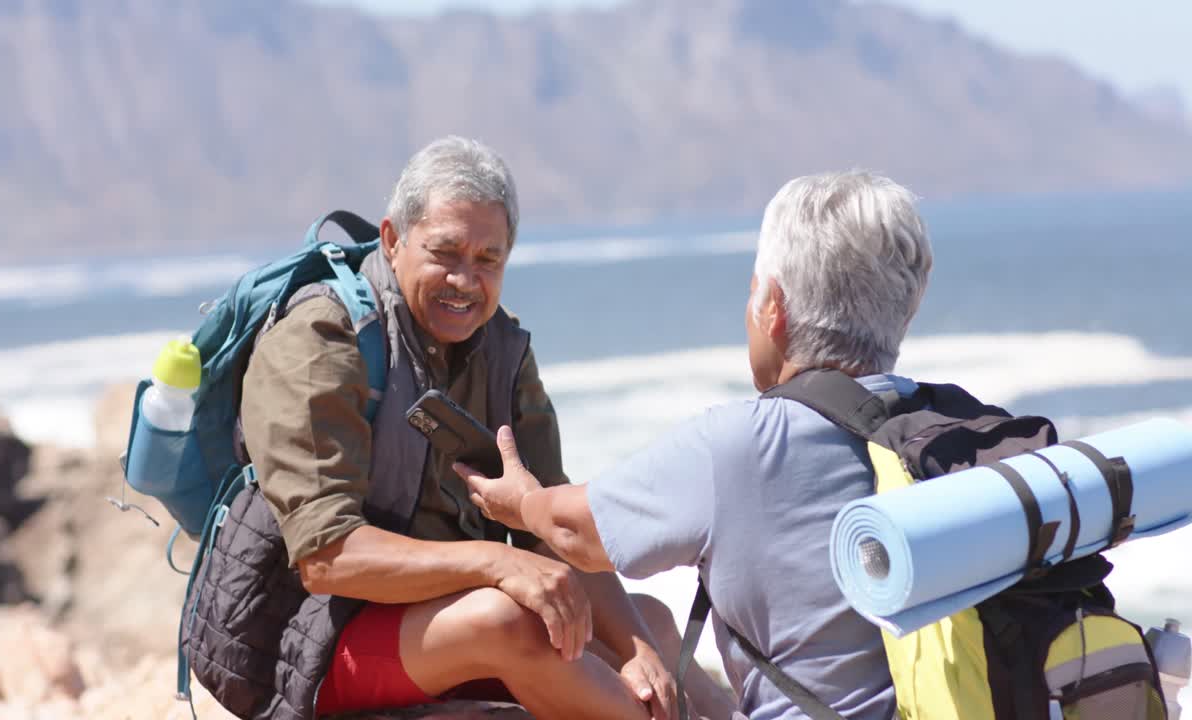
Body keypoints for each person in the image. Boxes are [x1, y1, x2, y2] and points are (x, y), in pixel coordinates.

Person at [182, 136, 680, 720]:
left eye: (488, 260)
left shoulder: (503, 350)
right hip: (306, 641)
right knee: (506, 618)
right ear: (393, 240)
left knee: (657, 628)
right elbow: (327, 558)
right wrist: (500, 564)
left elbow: (553, 526)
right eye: (445, 253)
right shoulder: (324, 338)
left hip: (433, 625)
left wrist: (637, 649)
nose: (465, 281)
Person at [460, 171, 934, 719]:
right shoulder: (951, 426)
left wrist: (519, 502)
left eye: (755, 288)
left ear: (772, 308)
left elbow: (576, 532)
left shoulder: (742, 445)